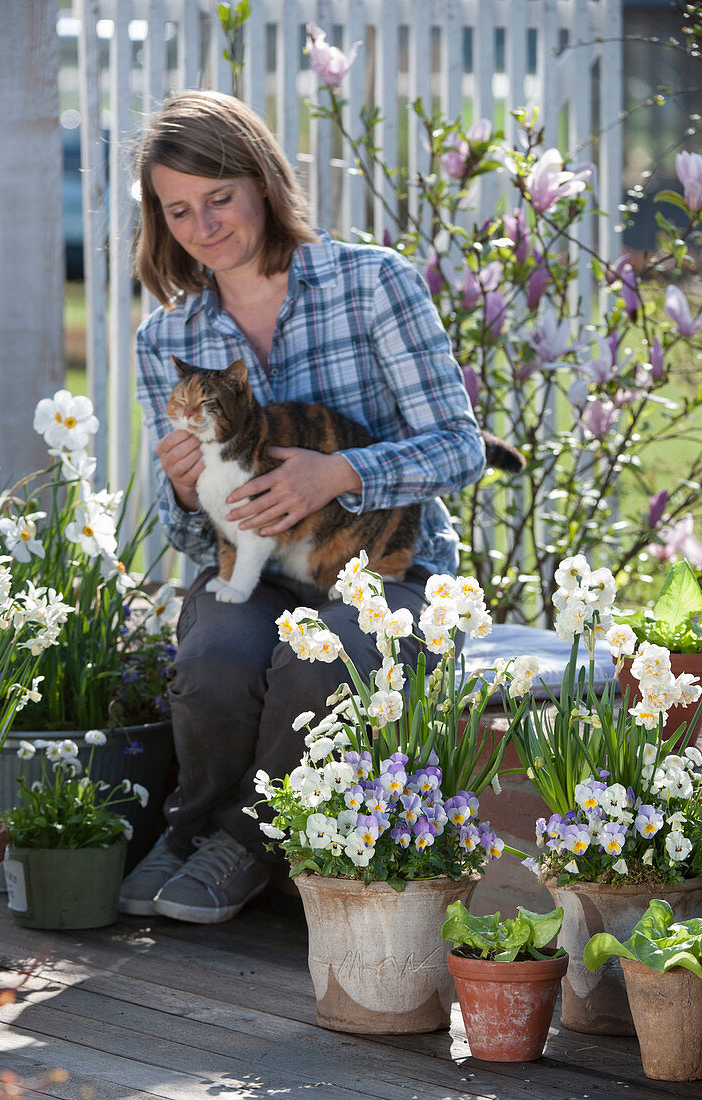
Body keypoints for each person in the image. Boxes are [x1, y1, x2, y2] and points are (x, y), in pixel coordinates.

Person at [118, 90, 486, 924]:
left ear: (263, 183)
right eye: (178, 210)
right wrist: (183, 491)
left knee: (323, 654)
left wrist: (338, 474)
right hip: (263, 570)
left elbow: (459, 447)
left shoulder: (373, 284)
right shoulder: (165, 341)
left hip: (386, 572)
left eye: (220, 198)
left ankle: (242, 847)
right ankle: (191, 832)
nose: (204, 226)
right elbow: (188, 531)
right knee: (214, 652)